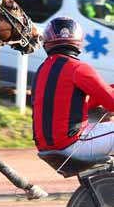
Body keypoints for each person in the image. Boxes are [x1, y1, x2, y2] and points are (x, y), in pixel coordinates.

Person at [32, 17, 114, 161]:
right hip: (72, 144)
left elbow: (72, 104)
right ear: (78, 40)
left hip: (47, 147)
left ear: (47, 41)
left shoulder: (43, 69)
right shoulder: (78, 68)